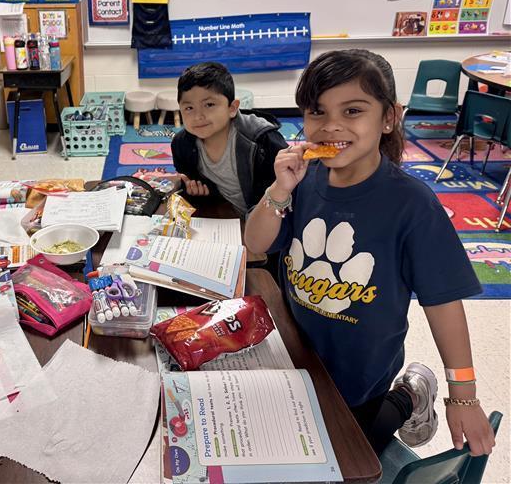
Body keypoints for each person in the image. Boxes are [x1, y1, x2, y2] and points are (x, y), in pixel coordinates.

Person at [244, 49, 496, 456]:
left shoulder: (412, 205)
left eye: (353, 111)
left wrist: (462, 396)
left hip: (363, 373)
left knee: (351, 454)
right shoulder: (303, 182)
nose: (331, 126)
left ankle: (411, 395)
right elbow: (255, 244)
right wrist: (278, 191)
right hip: (299, 352)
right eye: (317, 112)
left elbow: (444, 303)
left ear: (389, 117)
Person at [171, 61, 287, 216]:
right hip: (227, 217)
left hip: (271, 218)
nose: (198, 116)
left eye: (209, 104)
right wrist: (197, 191)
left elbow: (291, 189)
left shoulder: (263, 141)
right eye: (189, 108)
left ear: (232, 108)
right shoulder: (181, 144)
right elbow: (193, 184)